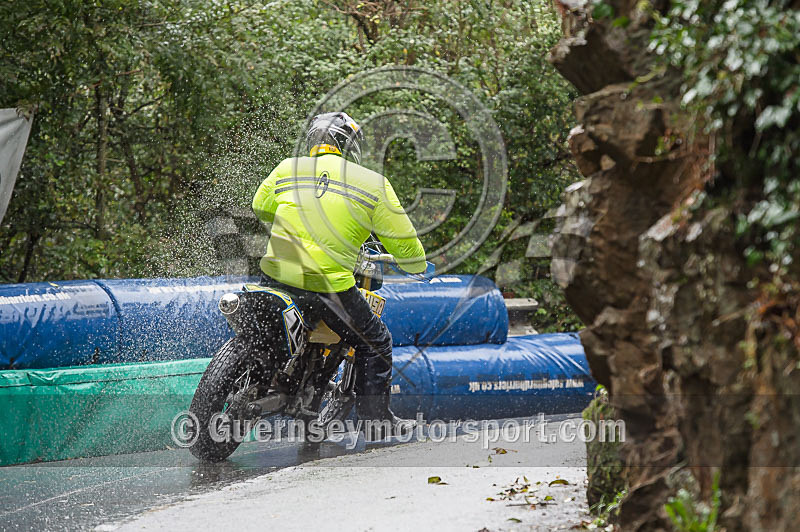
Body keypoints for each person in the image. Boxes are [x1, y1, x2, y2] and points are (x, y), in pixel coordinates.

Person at [251, 111, 426, 432]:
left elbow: (260, 206)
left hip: (273, 276)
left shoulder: (287, 168)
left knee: (264, 336)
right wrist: (417, 265)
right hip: (326, 286)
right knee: (375, 340)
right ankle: (376, 421)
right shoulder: (373, 184)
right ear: (349, 146)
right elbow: (408, 249)